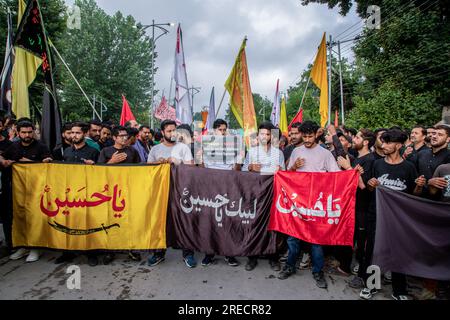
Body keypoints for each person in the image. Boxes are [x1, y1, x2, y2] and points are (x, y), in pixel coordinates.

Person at [360, 129, 424, 300]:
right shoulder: (377, 164)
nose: (384, 145)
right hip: (377, 215)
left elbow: (414, 196)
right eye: (384, 141)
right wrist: (371, 184)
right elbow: (369, 188)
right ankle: (371, 285)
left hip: (399, 219)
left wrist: (418, 186)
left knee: (398, 252)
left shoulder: (409, 167)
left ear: (399, 145)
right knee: (373, 251)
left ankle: (400, 290)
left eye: (388, 142)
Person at [278, 121, 340, 289]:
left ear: (316, 135)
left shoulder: (325, 154)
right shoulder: (296, 151)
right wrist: (294, 167)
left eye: (309, 136)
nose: (306, 139)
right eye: (303, 136)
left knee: (316, 240)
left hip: (316, 205)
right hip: (298, 202)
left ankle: (318, 271)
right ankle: (289, 266)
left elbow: (337, 177)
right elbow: (287, 175)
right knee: (293, 237)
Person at [0, 121, 52, 262]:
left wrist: (32, 163)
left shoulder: (41, 147)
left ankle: (35, 247)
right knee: (19, 217)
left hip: (36, 190)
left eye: (30, 132)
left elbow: (48, 163)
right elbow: (3, 156)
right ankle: (23, 246)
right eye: (24, 132)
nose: (27, 135)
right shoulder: (13, 146)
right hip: (16, 190)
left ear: (33, 132)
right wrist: (3, 160)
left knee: (34, 218)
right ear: (18, 132)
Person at [147, 120, 194, 267]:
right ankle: (159, 253)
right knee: (160, 221)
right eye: (169, 131)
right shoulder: (155, 149)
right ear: (162, 132)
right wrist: (158, 164)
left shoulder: (183, 148)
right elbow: (147, 170)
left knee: (184, 221)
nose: (172, 133)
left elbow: (191, 167)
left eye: (174, 130)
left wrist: (177, 162)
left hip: (180, 191)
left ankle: (188, 254)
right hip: (160, 192)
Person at [56, 122, 100, 266]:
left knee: (88, 223)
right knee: (68, 222)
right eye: (72, 133)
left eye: (77, 133)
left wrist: (93, 166)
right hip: (70, 194)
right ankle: (67, 252)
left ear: (85, 134)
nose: (74, 135)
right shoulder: (67, 152)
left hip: (87, 194)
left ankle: (91, 254)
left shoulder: (93, 152)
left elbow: (101, 172)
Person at [243, 122, 285, 271]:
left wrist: (280, 171)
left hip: (272, 193)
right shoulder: (252, 151)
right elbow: (243, 171)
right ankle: (252, 257)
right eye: (262, 133)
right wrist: (250, 167)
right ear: (258, 134)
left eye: (268, 134)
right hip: (256, 193)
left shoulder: (278, 153)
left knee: (272, 226)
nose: (265, 136)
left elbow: (283, 174)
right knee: (253, 224)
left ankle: (273, 257)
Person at [200, 119, 242, 268]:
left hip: (228, 188)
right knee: (210, 221)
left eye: (224, 130)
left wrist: (238, 158)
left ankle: (228, 253)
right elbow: (203, 167)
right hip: (211, 189)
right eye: (220, 130)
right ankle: (209, 253)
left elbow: (236, 169)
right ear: (213, 131)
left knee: (227, 220)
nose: (223, 132)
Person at [338, 129, 377, 288]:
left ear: (366, 142)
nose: (354, 139)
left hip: (362, 207)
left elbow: (363, 186)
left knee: (362, 243)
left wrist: (348, 168)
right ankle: (345, 267)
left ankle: (363, 275)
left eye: (358, 137)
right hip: (350, 205)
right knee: (349, 237)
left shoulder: (370, 160)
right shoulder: (356, 157)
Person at [97, 126, 141, 264]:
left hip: (129, 191)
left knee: (129, 221)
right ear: (114, 138)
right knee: (110, 221)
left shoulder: (132, 151)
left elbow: (140, 170)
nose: (124, 138)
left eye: (126, 136)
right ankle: (110, 251)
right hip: (109, 193)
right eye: (121, 136)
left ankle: (131, 248)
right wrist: (111, 162)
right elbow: (97, 171)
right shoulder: (105, 151)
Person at [415, 125, 450, 199]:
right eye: (434, 133)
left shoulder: (449, 156)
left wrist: (433, 183)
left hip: (439, 204)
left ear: (448, 139)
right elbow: (414, 174)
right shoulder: (421, 153)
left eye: (440, 135)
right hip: (418, 199)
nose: (434, 136)